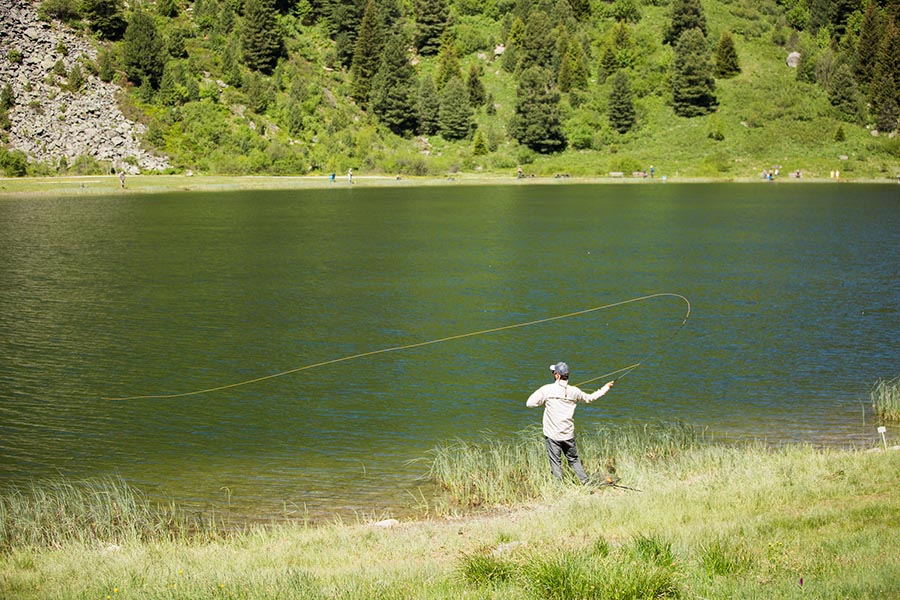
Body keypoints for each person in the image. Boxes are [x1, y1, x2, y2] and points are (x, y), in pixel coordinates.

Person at [526, 362, 614, 484]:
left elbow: (529, 403)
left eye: (553, 372)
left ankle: (558, 487)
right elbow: (590, 398)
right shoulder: (575, 391)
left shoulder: (547, 389)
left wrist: (545, 400)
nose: (553, 374)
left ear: (557, 375)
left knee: (556, 462)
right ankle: (586, 483)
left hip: (553, 435)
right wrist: (606, 388)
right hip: (568, 435)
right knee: (574, 460)